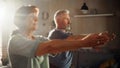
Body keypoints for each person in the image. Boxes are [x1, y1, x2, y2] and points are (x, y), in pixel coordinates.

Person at [8, 5, 113, 68]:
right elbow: (50, 47)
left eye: (36, 16)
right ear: (20, 20)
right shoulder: (15, 40)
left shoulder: (38, 38)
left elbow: (68, 40)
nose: (36, 19)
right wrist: (86, 42)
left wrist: (95, 37)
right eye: (32, 17)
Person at [48, 9, 115, 68]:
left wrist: (93, 44)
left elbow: (76, 44)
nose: (69, 22)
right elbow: (77, 38)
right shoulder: (56, 33)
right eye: (66, 19)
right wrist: (98, 36)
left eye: (69, 19)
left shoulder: (66, 34)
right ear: (58, 20)